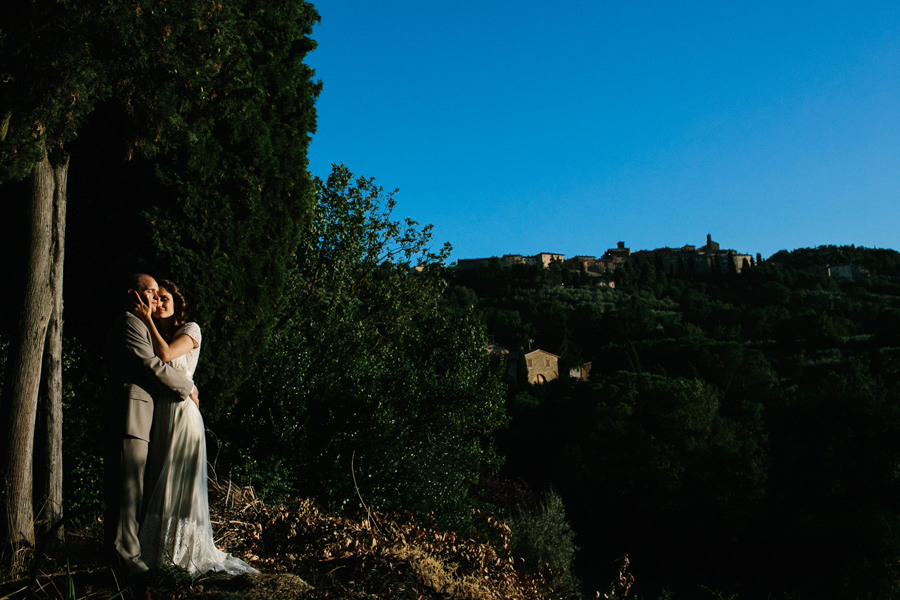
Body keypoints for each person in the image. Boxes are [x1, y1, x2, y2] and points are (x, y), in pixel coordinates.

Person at [132, 279, 257, 577]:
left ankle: (179, 555)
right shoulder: (155, 335)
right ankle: (157, 551)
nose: (159, 303)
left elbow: (166, 357)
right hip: (161, 416)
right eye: (156, 299)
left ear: (176, 305)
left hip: (183, 417)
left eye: (165, 300)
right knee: (159, 483)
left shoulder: (191, 329)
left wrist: (147, 317)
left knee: (178, 483)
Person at [104, 274, 199, 575]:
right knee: (127, 492)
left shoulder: (163, 327)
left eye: (161, 294)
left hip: (147, 417)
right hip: (131, 415)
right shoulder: (131, 323)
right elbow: (152, 364)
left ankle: (131, 557)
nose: (156, 299)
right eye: (151, 292)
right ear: (134, 293)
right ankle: (128, 562)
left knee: (135, 490)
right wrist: (187, 387)